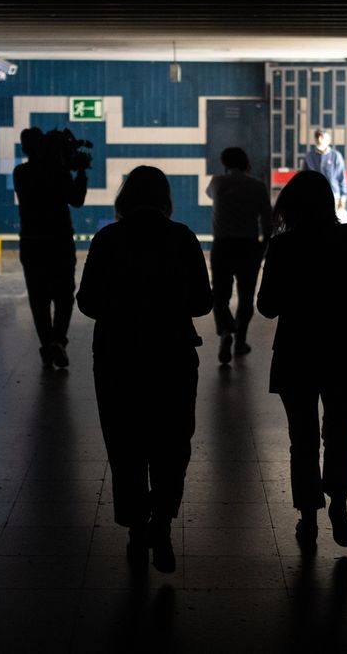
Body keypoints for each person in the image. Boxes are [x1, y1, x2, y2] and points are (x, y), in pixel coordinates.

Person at [76, 165, 212, 573]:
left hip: (118, 358)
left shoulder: (107, 239)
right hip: (172, 356)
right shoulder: (183, 237)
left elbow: (87, 303)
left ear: (125, 198)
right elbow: (203, 303)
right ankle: (163, 523)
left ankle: (137, 530)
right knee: (172, 443)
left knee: (125, 444)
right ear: (165, 198)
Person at [257, 171, 347, 550]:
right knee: (341, 430)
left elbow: (266, 307)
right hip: (345, 349)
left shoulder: (283, 247)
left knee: (303, 438)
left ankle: (307, 518)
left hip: (297, 352)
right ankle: (338, 503)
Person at [13, 127, 88, 368]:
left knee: (39, 299)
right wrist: (81, 172)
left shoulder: (21, 173)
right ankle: (58, 341)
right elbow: (76, 199)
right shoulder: (58, 172)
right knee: (64, 296)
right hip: (59, 244)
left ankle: (48, 345)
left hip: (32, 244)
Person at [205, 146, 273, 364]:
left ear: (225, 163)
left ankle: (225, 331)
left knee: (220, 295)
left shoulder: (217, 183)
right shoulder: (258, 186)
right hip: (248, 247)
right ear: (246, 163)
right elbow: (267, 221)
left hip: (222, 245)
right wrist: (263, 248)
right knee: (246, 297)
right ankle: (240, 341)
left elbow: (209, 195)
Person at [303, 128, 347, 214]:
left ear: (328, 140)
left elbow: (341, 177)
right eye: (318, 137)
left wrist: (343, 197)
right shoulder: (309, 157)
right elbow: (304, 179)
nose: (320, 140)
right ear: (316, 139)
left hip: (333, 196)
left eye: (323, 137)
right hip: (314, 197)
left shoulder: (335, 156)